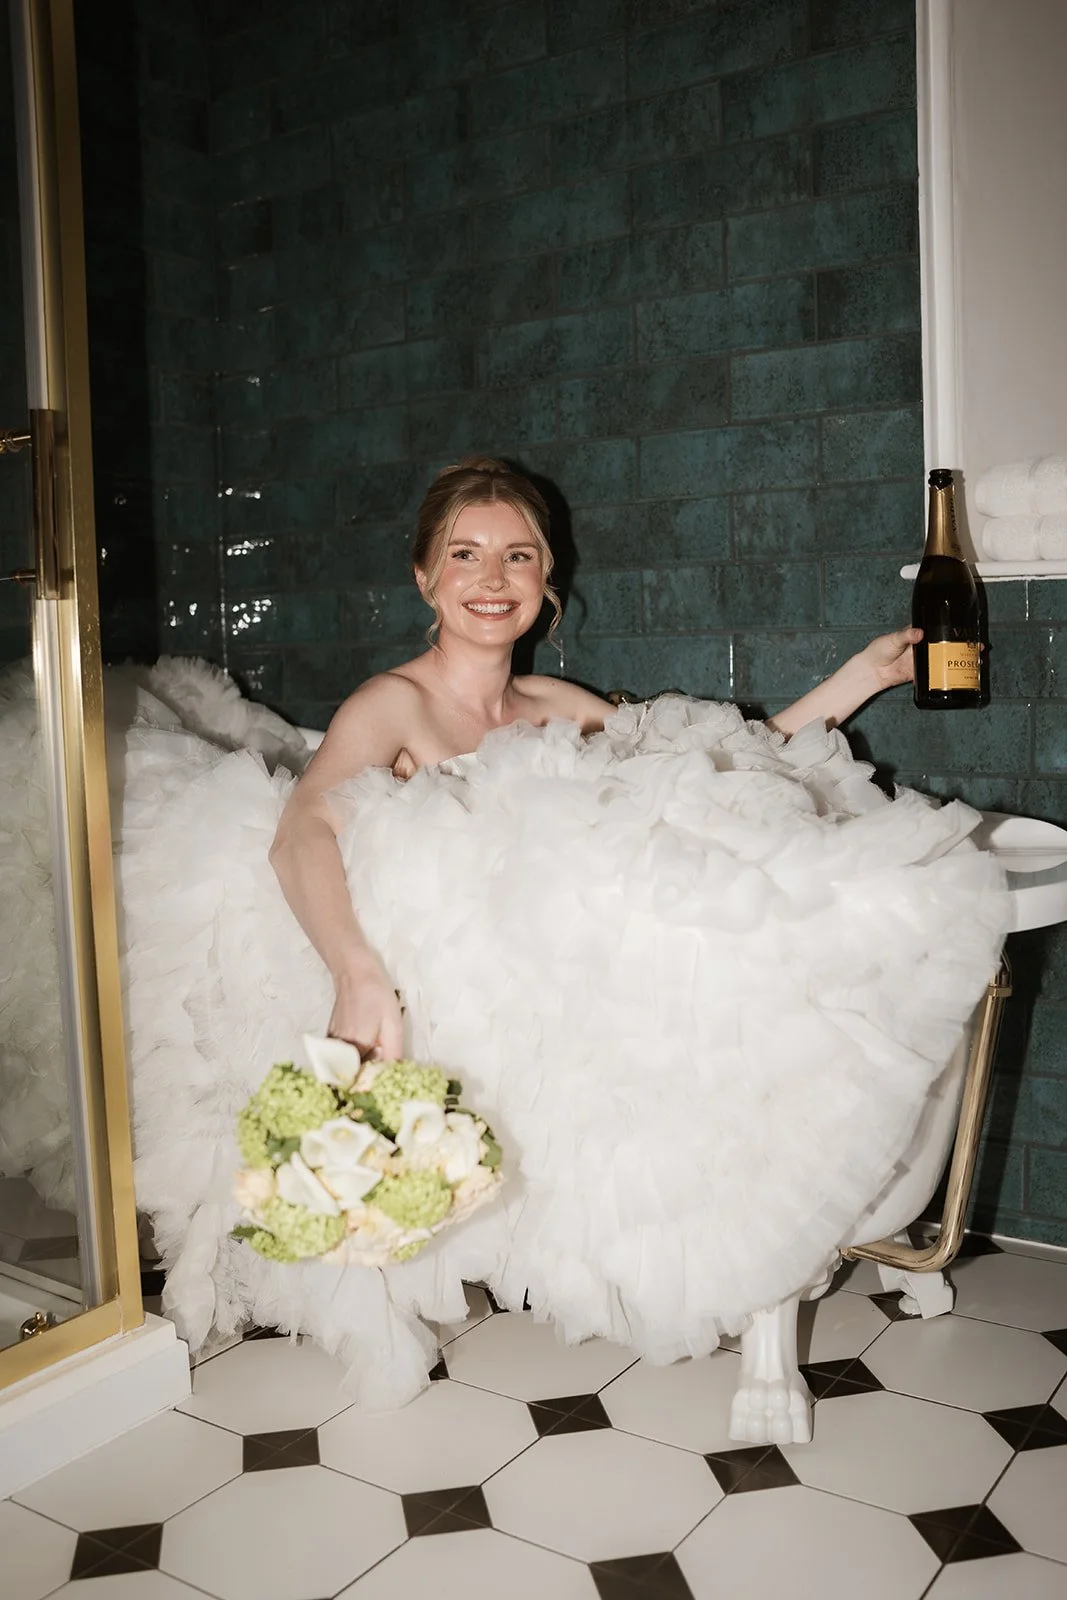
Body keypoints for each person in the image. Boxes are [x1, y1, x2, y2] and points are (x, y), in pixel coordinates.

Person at [271, 455, 922, 1062]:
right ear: (424, 576)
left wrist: (865, 676)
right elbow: (300, 831)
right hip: (444, 1016)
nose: (493, 578)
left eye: (517, 555)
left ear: (542, 577)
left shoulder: (558, 706)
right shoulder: (393, 704)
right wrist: (353, 972)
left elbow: (725, 766)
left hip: (555, 1015)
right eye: (464, 554)